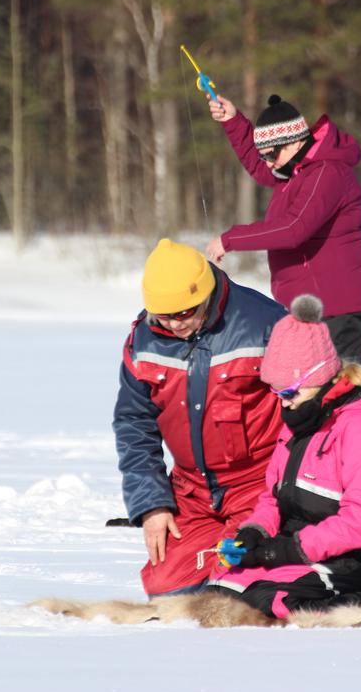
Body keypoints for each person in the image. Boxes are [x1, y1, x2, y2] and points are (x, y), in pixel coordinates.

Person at [206, 293, 361, 618]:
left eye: (289, 392)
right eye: (276, 392)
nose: (283, 402)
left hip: (351, 558)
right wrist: (254, 533)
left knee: (271, 601)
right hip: (298, 550)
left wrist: (287, 550)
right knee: (220, 591)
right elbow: (274, 498)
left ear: (319, 378)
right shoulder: (301, 422)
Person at [114, 239, 285, 597]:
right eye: (164, 315)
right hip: (192, 490)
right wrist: (152, 505)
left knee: (235, 586)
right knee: (167, 593)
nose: (175, 324)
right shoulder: (143, 340)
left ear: (205, 294)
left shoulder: (266, 324)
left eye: (185, 313)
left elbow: (309, 410)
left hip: (259, 486)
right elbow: (134, 424)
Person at [205, 94, 361, 363]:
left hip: (336, 309)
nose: (268, 163)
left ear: (295, 141)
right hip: (310, 309)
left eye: (271, 154)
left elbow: (293, 228)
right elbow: (260, 164)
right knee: (300, 388)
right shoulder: (295, 171)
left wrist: (230, 239)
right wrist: (233, 121)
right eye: (264, 155)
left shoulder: (326, 173)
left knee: (335, 388)